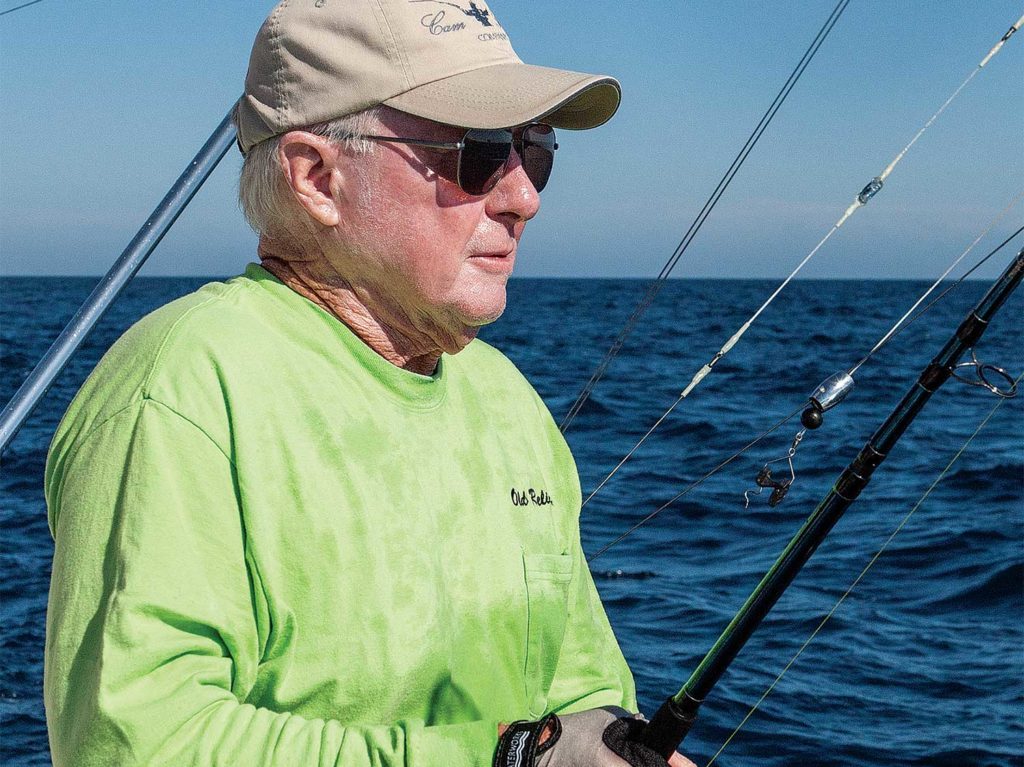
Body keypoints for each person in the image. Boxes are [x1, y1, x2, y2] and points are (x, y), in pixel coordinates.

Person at [43, 2, 695, 765]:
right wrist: (507, 756)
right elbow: (137, 741)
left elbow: (582, 694)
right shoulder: (183, 389)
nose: (525, 195)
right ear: (317, 178)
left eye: (534, 149)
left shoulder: (507, 399)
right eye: (480, 151)